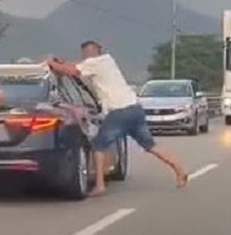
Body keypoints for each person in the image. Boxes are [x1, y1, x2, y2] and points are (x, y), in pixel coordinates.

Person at [45, 40, 188, 196]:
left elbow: (73, 71)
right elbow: (75, 67)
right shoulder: (107, 60)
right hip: (134, 108)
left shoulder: (95, 63)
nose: (85, 56)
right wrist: (62, 63)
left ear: (92, 52)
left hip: (119, 111)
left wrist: (50, 62)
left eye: (86, 53)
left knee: (99, 145)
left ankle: (100, 185)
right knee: (150, 145)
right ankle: (179, 169)